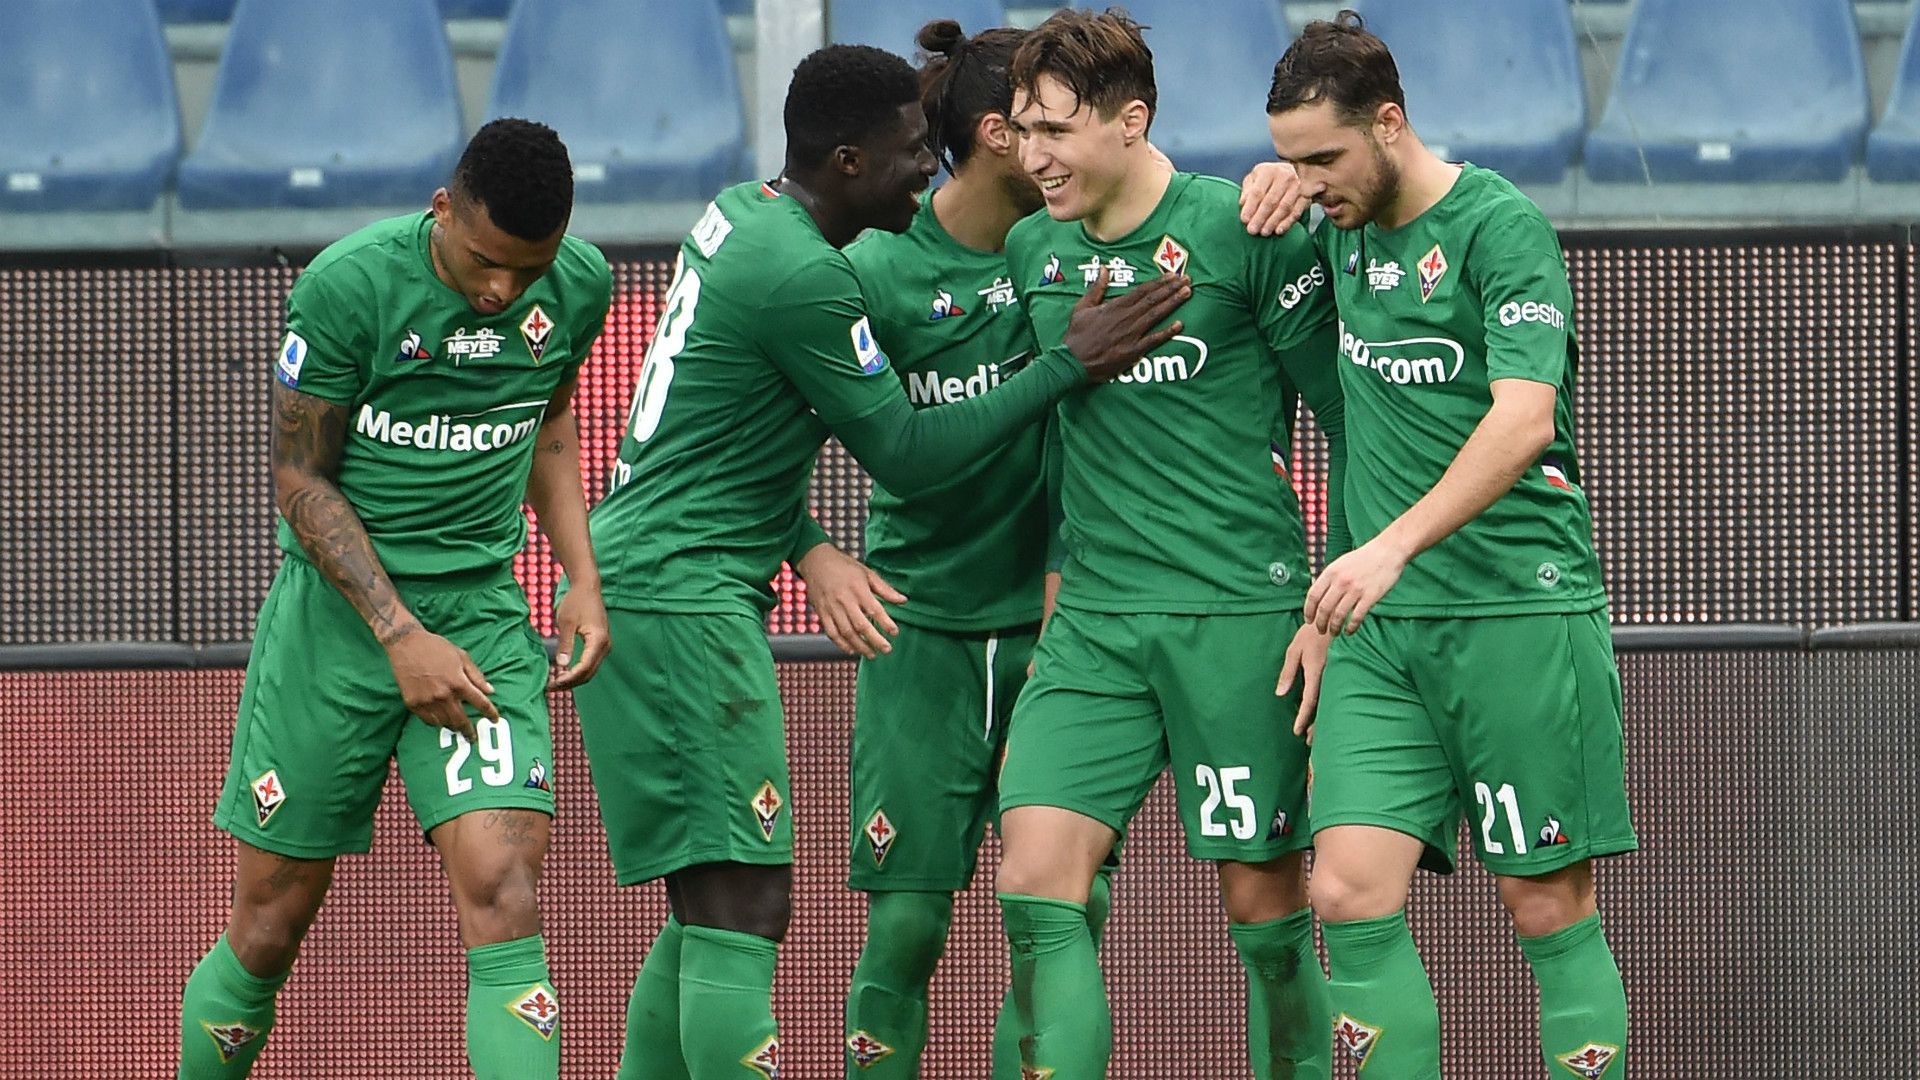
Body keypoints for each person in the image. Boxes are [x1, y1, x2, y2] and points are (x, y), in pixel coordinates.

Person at [569, 43, 1191, 1079]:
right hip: (690, 594)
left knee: (710, 907)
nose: (925, 165)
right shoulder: (819, 277)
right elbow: (900, 448)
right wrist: (1064, 366)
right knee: (747, 904)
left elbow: (729, 425)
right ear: (850, 161)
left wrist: (800, 543)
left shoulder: (743, 214)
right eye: (910, 150)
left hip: (681, 576)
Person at [175, 118, 613, 1079]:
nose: (504, 292)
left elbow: (548, 419)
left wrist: (580, 575)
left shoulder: (582, 284)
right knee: (269, 925)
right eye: (486, 261)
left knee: (506, 894)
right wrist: (398, 633)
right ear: (442, 208)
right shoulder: (347, 286)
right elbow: (300, 479)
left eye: (530, 270)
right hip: (336, 628)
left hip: (482, 619)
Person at [1266, 12, 1636, 1079]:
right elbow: (1357, 429)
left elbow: (1523, 422)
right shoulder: (1339, 228)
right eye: (1294, 161)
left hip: (1517, 609)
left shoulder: (1499, 226)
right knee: (1345, 891)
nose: (1311, 185)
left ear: (1390, 123)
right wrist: (1336, 601)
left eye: (1324, 159)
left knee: (1544, 902)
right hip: (1380, 635)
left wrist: (1389, 549)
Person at [991, 9, 1349, 1078]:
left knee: (1263, 911)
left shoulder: (1247, 226)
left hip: (1239, 618)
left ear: (1131, 120)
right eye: (1023, 129)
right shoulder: (1030, 248)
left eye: (1056, 129)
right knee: (1034, 885)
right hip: (1095, 626)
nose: (1035, 155)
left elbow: (1348, 419)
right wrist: (1056, 586)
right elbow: (1056, 441)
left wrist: (1334, 606)